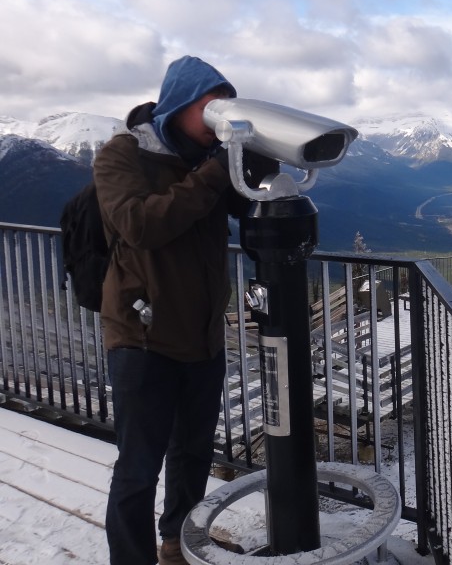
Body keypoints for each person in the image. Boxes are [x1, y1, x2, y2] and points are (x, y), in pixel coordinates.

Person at [94, 55, 251, 565]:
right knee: (139, 467)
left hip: (202, 335)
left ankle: (177, 545)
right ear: (180, 104)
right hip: (142, 336)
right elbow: (139, 226)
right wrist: (211, 175)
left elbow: (245, 212)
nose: (216, 117)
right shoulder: (122, 155)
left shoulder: (207, 160)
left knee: (192, 457)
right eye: (210, 107)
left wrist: (252, 168)